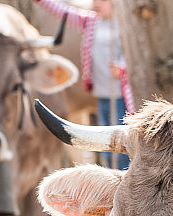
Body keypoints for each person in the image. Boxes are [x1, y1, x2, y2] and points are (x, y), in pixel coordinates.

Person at [34, 0, 132, 170]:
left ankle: (125, 177)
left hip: (120, 96)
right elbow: (64, 11)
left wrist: (122, 69)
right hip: (103, 95)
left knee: (121, 144)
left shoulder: (124, 25)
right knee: (107, 147)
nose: (96, 4)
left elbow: (133, 55)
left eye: (102, 1)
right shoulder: (91, 22)